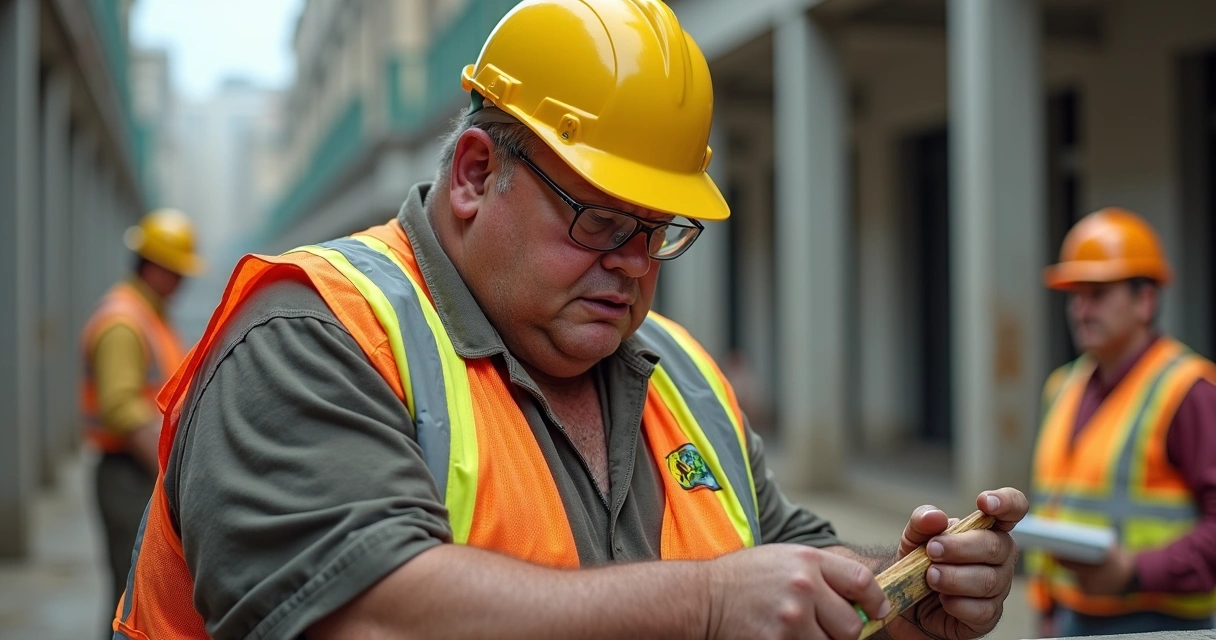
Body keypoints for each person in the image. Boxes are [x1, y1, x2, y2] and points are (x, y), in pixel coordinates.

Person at [113, 2, 1026, 639]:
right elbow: (365, 614)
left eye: (658, 232)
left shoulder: (677, 372)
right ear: (475, 173)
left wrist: (911, 596)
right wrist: (704, 608)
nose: (632, 262)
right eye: (599, 220)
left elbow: (781, 566)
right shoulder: (311, 335)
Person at [1028, 207, 1216, 637]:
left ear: (1145, 300)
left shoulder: (1189, 391)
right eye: (1075, 294)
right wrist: (1046, 608)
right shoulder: (1063, 385)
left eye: (1098, 293)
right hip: (1071, 616)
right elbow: (1056, 503)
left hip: (1162, 623)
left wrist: (1134, 570)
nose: (1081, 309)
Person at [80, 208, 204, 621]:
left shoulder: (148, 314)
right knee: (131, 597)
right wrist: (174, 475)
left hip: (139, 470)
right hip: (129, 473)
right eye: (176, 271)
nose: (182, 282)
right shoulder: (124, 321)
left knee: (140, 593)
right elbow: (122, 411)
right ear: (153, 267)